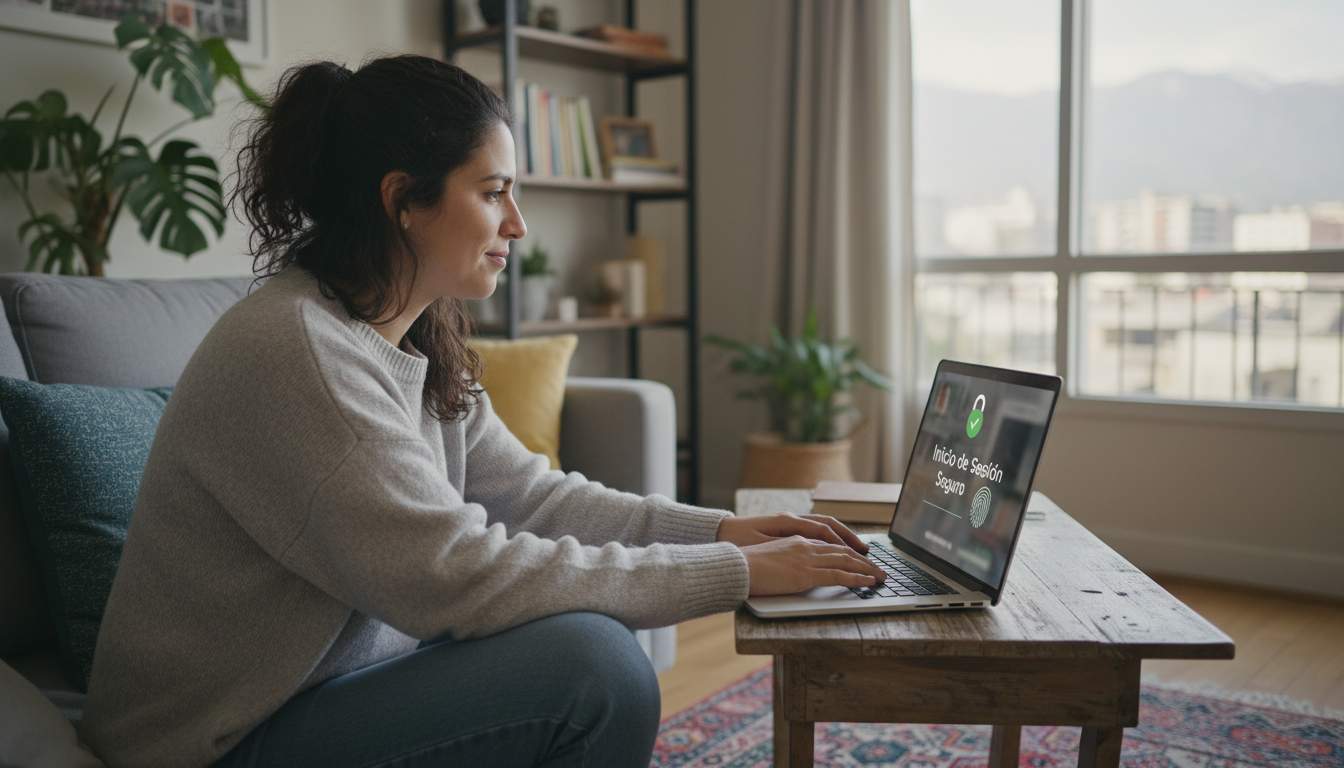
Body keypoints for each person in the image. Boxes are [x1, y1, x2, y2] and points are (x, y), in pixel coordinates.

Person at [81, 55, 886, 767]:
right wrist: (736, 575)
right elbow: (456, 577)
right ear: (402, 200)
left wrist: (718, 531)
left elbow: (534, 497)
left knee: (592, 648)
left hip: (326, 695)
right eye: (493, 192)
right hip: (218, 740)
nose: (517, 224)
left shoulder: (410, 330)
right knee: (593, 669)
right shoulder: (298, 352)